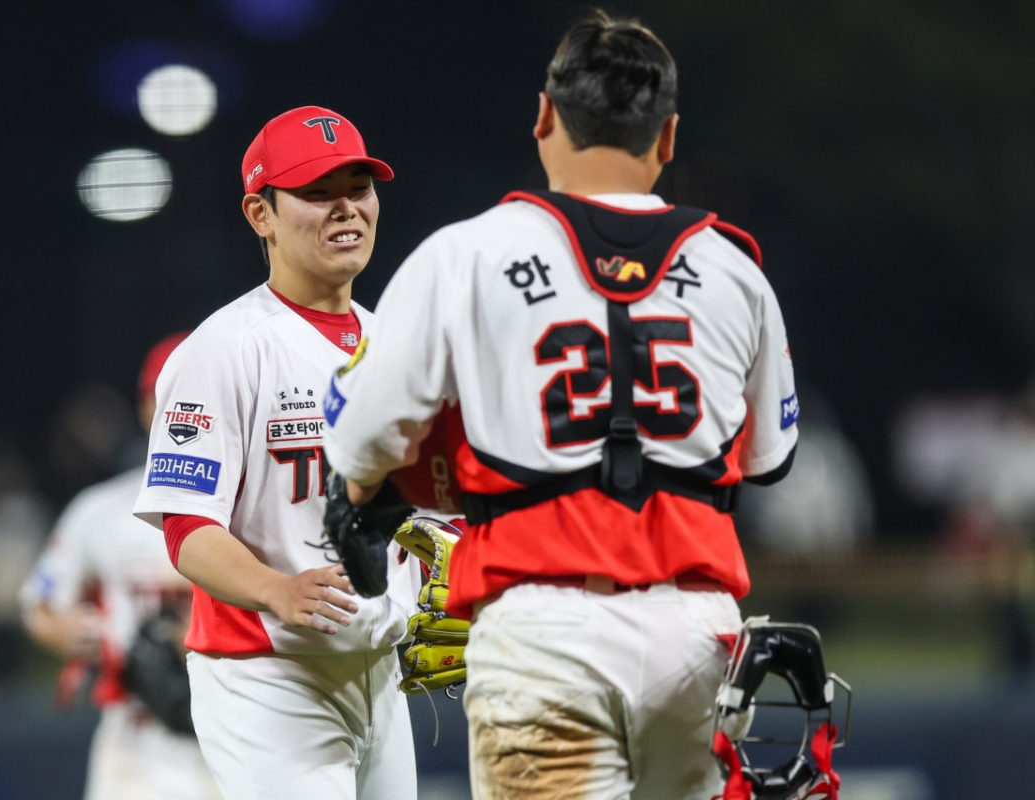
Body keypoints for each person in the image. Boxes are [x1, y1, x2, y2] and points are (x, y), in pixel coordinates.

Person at [321, 12, 798, 800]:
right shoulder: (735, 268)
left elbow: (362, 434)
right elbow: (767, 459)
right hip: (700, 630)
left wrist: (369, 495)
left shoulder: (467, 253)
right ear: (668, 136)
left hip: (544, 624)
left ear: (544, 118)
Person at [132, 106, 421, 800]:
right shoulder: (224, 348)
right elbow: (187, 528)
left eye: (359, 186)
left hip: (379, 672)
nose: (346, 208)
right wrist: (275, 588)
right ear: (260, 214)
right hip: (264, 672)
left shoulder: (399, 346)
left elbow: (429, 509)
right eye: (317, 193)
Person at [20, 332, 222, 800]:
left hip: (241, 728)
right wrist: (63, 630)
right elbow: (39, 604)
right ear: (146, 407)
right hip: (138, 739)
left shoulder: (259, 505)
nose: (183, 409)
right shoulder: (103, 509)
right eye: (169, 395)